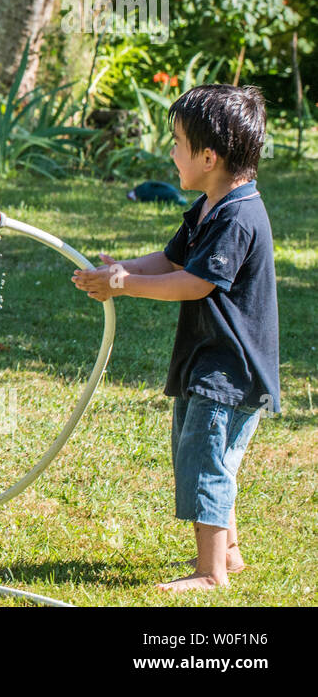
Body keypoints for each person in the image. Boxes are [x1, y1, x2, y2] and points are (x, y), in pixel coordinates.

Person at [71, 84, 279, 592]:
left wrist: (124, 286)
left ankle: (209, 575)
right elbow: (171, 260)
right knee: (204, 453)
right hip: (207, 359)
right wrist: (122, 269)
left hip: (231, 365)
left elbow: (195, 282)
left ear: (208, 157)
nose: (171, 152)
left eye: (177, 142)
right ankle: (227, 552)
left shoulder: (237, 215)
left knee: (205, 459)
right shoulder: (211, 205)